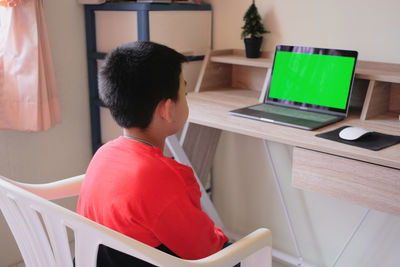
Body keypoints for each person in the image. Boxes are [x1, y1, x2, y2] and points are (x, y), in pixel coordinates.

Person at [77, 41, 229, 266]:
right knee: (242, 251)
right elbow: (208, 254)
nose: (186, 98)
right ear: (166, 110)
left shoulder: (103, 155)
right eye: (184, 92)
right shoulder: (165, 178)